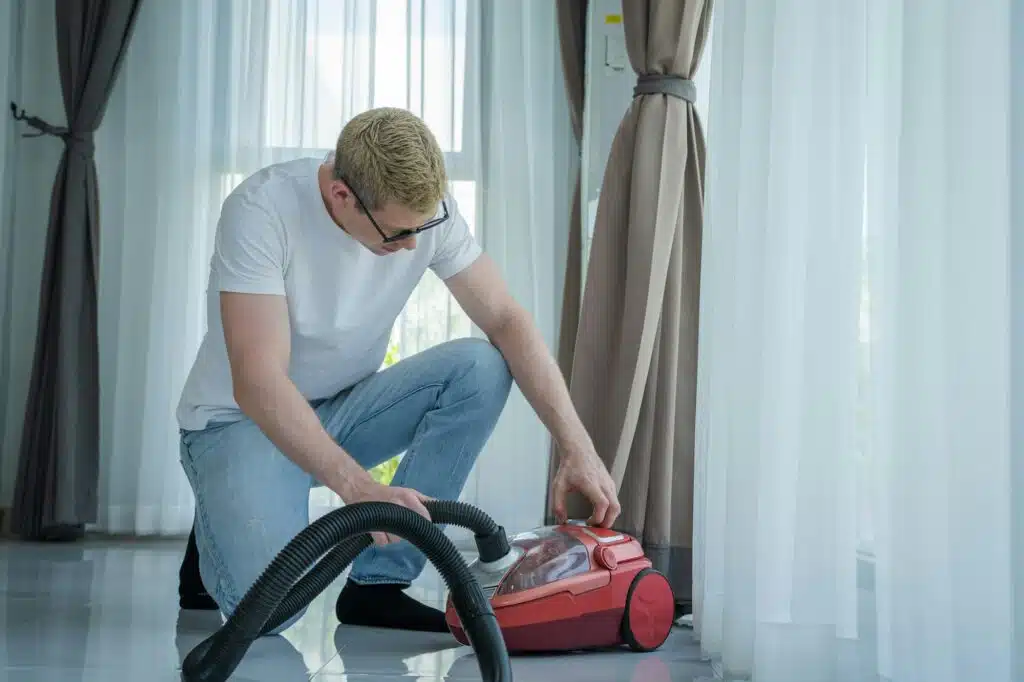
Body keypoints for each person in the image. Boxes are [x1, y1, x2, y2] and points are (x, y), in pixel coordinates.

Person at [175, 107, 620, 634]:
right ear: (343, 195)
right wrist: (358, 489)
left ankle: (378, 586)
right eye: (397, 233)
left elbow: (505, 318)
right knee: (273, 612)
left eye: (423, 226)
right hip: (242, 420)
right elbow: (258, 379)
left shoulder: (427, 214)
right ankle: (222, 513)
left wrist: (578, 448)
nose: (412, 245)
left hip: (342, 409)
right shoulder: (261, 210)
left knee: (479, 367)